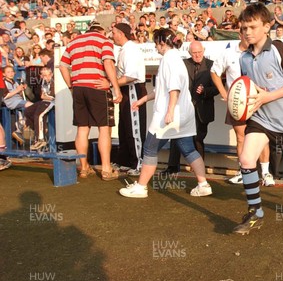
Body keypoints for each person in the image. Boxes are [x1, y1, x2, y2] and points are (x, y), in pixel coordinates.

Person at [232, 3, 283, 235]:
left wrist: (268, 95)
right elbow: (249, 88)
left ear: (267, 26)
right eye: (244, 27)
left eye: (252, 26)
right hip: (260, 119)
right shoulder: (244, 59)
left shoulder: (280, 49)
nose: (247, 32)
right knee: (247, 159)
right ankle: (255, 213)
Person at [119, 29, 212, 198]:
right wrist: (142, 100)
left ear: (163, 42)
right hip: (183, 114)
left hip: (170, 115)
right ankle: (203, 184)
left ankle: (140, 187)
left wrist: (169, 112)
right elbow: (160, 90)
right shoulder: (174, 59)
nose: (155, 46)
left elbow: (174, 88)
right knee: (189, 149)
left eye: (156, 43)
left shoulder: (170, 60)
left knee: (149, 148)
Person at [59, 22, 123, 180]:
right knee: (104, 128)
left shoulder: (73, 42)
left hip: (79, 88)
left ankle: (84, 167)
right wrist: (116, 88)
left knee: (82, 128)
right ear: (100, 31)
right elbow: (108, 63)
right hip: (97, 86)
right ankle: (106, 169)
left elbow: (62, 66)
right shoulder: (104, 41)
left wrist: (71, 87)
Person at [210, 32, 274, 186]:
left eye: (251, 32)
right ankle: (243, 172)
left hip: (257, 100)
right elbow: (214, 72)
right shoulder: (228, 53)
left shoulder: (261, 52)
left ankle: (265, 173)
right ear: (240, 35)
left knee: (262, 136)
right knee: (241, 137)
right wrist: (224, 93)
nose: (248, 36)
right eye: (245, 33)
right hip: (237, 103)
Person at [163, 41, 219, 177]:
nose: (197, 55)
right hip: (183, 108)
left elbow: (218, 88)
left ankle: (198, 169)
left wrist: (205, 91)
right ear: (189, 53)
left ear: (203, 51)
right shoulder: (183, 64)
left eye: (199, 52)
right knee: (176, 137)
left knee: (198, 139)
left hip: (202, 109)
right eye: (194, 53)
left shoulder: (212, 65)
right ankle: (172, 167)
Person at [108, 23, 147, 176]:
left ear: (121, 33)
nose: (112, 36)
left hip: (133, 90)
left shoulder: (131, 50)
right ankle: (125, 161)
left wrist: (111, 83)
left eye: (114, 33)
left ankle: (139, 163)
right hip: (126, 91)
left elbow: (131, 76)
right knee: (124, 127)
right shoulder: (124, 50)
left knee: (134, 128)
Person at [24, 66, 55, 150]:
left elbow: (53, 97)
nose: (46, 77)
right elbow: (42, 96)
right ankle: (40, 129)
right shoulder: (43, 82)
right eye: (44, 75)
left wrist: (46, 97)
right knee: (28, 111)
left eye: (48, 75)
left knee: (39, 115)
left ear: (51, 74)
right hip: (45, 101)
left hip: (52, 102)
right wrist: (45, 97)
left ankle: (40, 139)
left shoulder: (54, 82)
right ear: (41, 76)